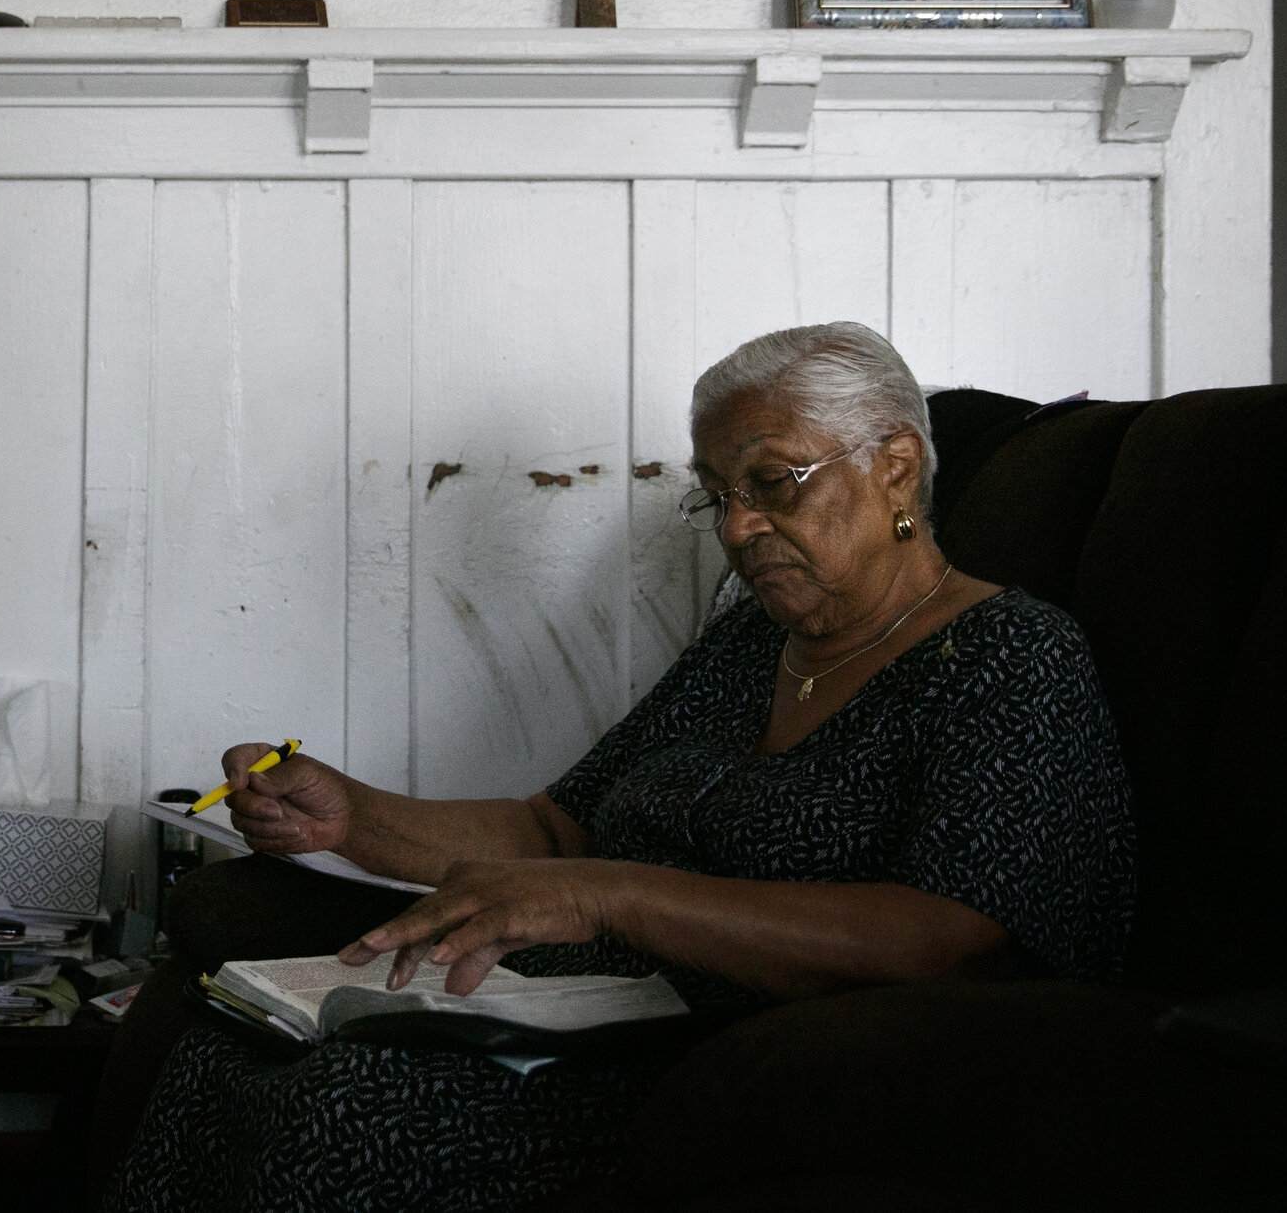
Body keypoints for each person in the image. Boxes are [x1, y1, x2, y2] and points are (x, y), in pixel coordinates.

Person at [105, 322, 1135, 1212]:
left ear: (898, 465)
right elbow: (561, 831)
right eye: (719, 495)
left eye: (772, 482)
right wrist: (351, 815)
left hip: (745, 1055)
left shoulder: (1008, 657)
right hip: (575, 1007)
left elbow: (951, 939)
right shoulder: (748, 645)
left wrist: (612, 897)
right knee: (216, 1054)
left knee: (351, 1100)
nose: (737, 527)